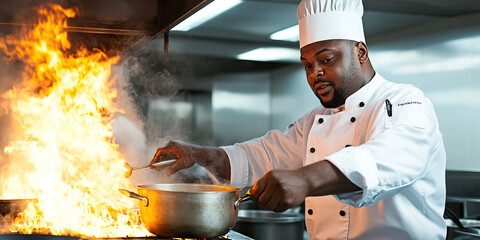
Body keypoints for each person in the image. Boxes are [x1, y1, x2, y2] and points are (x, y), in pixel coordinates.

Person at [150, 0, 447, 239]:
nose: (314, 73)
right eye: (307, 64)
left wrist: (304, 180)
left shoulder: (406, 102)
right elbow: (264, 155)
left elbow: (388, 157)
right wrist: (197, 154)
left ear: (361, 52)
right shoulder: (314, 121)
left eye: (326, 59)